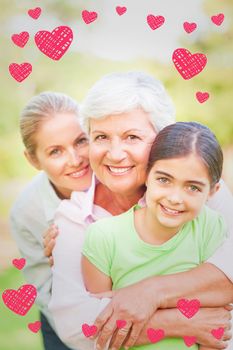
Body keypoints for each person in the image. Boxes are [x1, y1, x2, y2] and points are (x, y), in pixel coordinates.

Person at [48, 72, 233, 350]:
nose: (115, 153)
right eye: (101, 137)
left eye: (132, 137)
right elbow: (74, 324)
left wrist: (150, 292)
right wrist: (182, 322)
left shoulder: (198, 192)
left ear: (161, 139)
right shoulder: (72, 219)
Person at [82, 121, 227, 350]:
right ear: (147, 175)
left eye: (193, 188)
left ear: (212, 192)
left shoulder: (209, 227)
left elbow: (217, 322)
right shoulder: (103, 237)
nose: (175, 198)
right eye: (164, 180)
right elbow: (98, 326)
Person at [10, 91, 92, 350]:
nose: (75, 159)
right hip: (66, 322)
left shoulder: (120, 178)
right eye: (55, 151)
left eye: (81, 141)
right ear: (34, 160)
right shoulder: (27, 213)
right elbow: (46, 290)